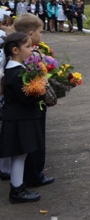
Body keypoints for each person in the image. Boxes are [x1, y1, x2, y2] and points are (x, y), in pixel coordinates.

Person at [0, 32, 45, 203]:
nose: (31, 49)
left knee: (20, 154)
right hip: (20, 119)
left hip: (19, 118)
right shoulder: (16, 73)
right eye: (27, 46)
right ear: (15, 50)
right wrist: (40, 91)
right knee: (19, 155)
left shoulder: (14, 69)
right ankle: (16, 190)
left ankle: (18, 186)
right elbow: (26, 98)